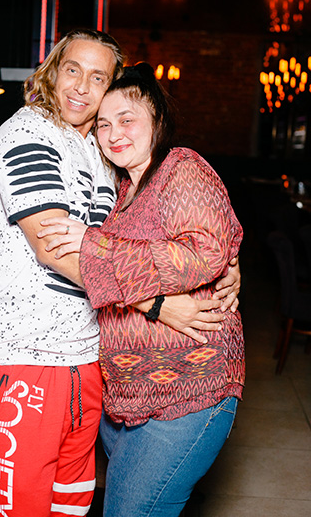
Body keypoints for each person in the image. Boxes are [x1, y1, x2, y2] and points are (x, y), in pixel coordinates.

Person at [0, 29, 240, 517]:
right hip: (29, 358)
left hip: (105, 370)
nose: (81, 86)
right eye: (72, 69)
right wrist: (157, 305)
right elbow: (54, 249)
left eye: (98, 78)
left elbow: (195, 240)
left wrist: (227, 265)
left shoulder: (121, 159)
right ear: (52, 71)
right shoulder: (28, 134)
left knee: (77, 506)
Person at [37, 62, 245, 517]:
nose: (114, 134)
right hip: (125, 399)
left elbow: (204, 253)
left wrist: (93, 244)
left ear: (157, 119)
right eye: (103, 124)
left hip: (186, 394)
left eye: (126, 119)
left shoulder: (181, 167)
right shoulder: (119, 191)